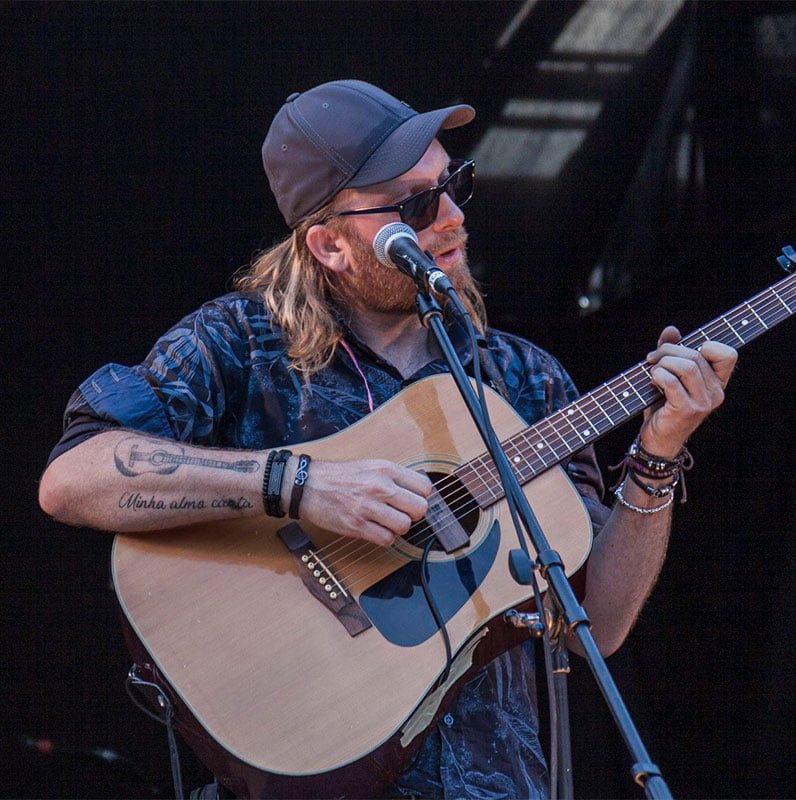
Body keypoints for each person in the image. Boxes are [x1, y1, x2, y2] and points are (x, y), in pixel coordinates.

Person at [39, 79, 737, 798]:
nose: (452, 217)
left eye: (452, 183)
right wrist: (299, 486)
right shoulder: (237, 345)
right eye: (414, 205)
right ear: (329, 245)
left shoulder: (523, 378)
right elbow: (74, 479)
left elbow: (602, 621)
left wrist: (657, 455)